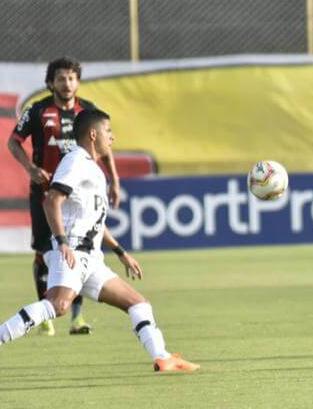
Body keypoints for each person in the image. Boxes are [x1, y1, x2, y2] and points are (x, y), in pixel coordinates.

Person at [0, 110, 198, 373]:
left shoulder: (93, 168)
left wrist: (120, 251)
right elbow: (51, 201)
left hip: (91, 259)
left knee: (138, 303)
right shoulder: (75, 161)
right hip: (72, 250)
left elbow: (93, 220)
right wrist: (61, 242)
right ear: (93, 134)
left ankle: (162, 357)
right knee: (58, 306)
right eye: (108, 131)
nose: (112, 137)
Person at [7, 57, 121, 336]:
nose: (66, 83)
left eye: (71, 78)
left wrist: (114, 179)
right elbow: (13, 142)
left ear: (78, 82)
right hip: (46, 193)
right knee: (44, 252)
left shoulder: (88, 112)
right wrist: (31, 168)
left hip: (78, 196)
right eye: (60, 78)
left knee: (78, 249)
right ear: (51, 82)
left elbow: (104, 147)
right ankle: (45, 311)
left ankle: (77, 317)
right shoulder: (37, 111)